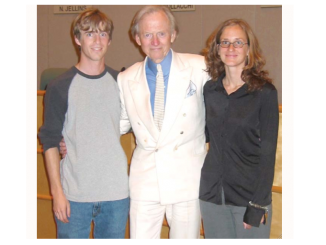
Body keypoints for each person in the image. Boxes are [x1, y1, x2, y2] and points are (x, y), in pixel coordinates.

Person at [118, 4, 209, 239]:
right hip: (145, 180)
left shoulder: (200, 68)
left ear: (173, 34)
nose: (155, 41)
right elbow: (118, 123)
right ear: (137, 38)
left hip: (187, 179)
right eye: (148, 34)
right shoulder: (126, 78)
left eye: (161, 33)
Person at [38, 8, 129, 239]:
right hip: (74, 196)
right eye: (89, 34)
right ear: (77, 39)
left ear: (109, 39)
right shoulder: (60, 86)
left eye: (102, 34)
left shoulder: (122, 83)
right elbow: (49, 140)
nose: (97, 41)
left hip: (116, 195)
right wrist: (57, 192)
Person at [199, 19, 279, 239]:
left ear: (249, 49)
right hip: (212, 195)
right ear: (217, 48)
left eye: (238, 42)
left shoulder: (265, 93)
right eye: (225, 42)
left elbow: (268, 153)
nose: (231, 48)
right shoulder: (210, 90)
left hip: (249, 198)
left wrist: (258, 204)